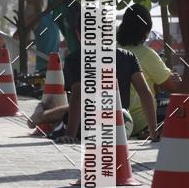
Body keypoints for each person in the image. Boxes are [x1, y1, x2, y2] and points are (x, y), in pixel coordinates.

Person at [29, 9, 158, 143]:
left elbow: (78, 94)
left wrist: (70, 135)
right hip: (120, 126)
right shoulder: (127, 56)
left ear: (78, 34)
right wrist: (153, 132)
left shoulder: (75, 59)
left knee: (57, 124)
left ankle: (39, 116)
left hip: (85, 128)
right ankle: (40, 116)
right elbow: (145, 93)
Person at [116, 3, 181, 137]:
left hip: (116, 123)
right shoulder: (147, 54)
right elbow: (173, 87)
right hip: (140, 125)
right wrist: (175, 79)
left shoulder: (114, 52)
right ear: (146, 31)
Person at [25, 0, 62, 75]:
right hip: (52, 62)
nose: (27, 7)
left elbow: (23, 41)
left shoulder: (35, 19)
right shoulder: (50, 16)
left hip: (48, 63)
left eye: (28, 3)